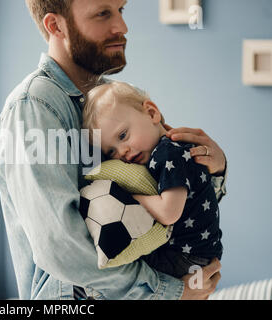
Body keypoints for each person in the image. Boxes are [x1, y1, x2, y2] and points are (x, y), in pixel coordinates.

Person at [0, 0, 227, 300]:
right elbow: (61, 248)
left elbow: (174, 203)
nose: (122, 27)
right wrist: (168, 292)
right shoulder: (35, 108)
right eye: (103, 13)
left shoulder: (110, 101)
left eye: (121, 10)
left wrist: (214, 168)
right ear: (55, 26)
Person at [83, 81, 223, 278]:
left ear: (151, 113)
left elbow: (168, 213)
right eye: (111, 151)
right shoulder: (169, 150)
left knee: (126, 274)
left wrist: (133, 198)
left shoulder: (167, 155)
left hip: (188, 257)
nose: (122, 151)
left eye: (123, 135)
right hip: (197, 253)